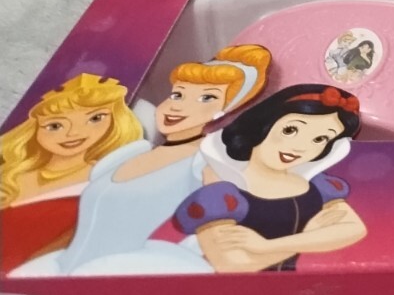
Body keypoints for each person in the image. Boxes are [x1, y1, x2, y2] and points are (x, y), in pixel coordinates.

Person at [11, 45, 271, 277]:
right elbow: (85, 223)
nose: (177, 106)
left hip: (130, 279)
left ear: (225, 110)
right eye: (178, 94)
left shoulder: (206, 164)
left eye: (206, 98)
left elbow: (217, 233)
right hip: (66, 271)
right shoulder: (130, 153)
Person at [174, 84, 366, 273]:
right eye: (290, 130)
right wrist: (313, 236)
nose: (300, 147)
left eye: (320, 139)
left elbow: (354, 229)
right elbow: (233, 264)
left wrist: (267, 246)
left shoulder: (318, 185)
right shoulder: (221, 192)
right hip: (232, 290)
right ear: (262, 124)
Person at [1, 75, 143, 273]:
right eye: (55, 126)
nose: (73, 133)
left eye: (95, 119)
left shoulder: (107, 181)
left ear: (117, 119)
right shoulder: (14, 172)